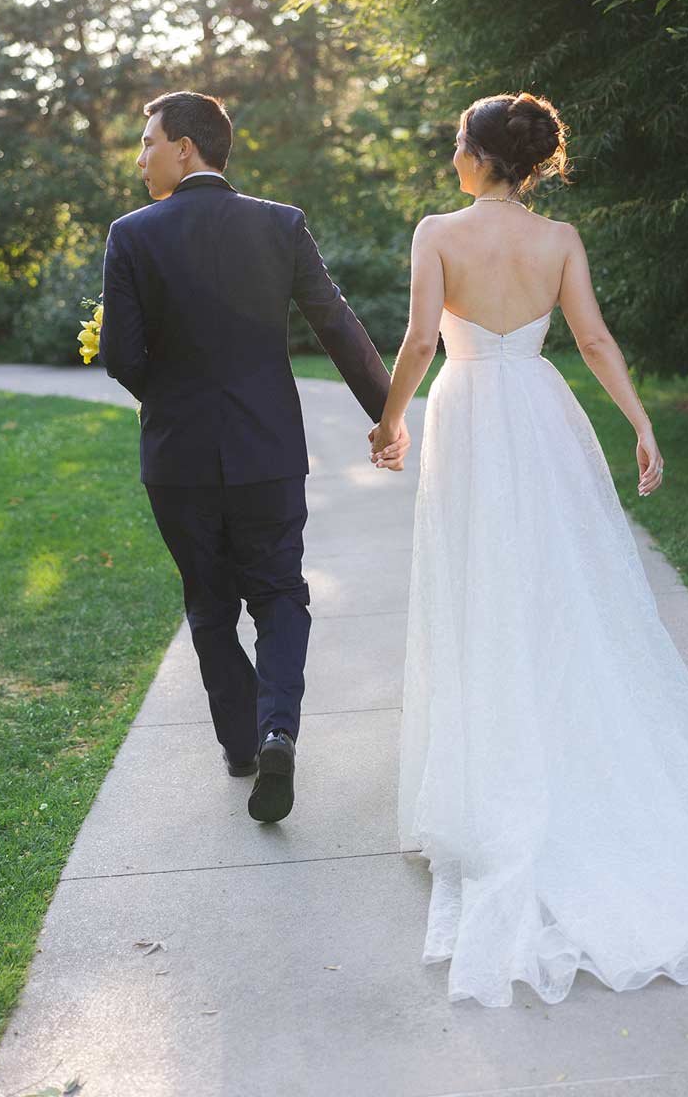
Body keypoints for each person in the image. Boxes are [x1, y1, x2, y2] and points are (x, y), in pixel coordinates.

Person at [369, 90, 688, 1006]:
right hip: (544, 416)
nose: (451, 157)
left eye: (455, 144)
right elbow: (593, 339)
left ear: (477, 155)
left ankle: (502, 773)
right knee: (562, 588)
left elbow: (415, 340)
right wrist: (640, 421)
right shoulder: (557, 241)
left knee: (484, 592)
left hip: (474, 416)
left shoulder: (437, 231)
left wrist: (391, 419)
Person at [98, 90, 410, 826]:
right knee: (278, 593)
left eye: (147, 141)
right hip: (268, 450)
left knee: (209, 602)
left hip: (177, 461)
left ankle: (241, 747)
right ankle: (279, 731)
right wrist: (386, 416)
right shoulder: (280, 224)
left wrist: (167, 398)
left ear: (186, 147)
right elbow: (335, 321)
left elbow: (120, 356)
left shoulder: (132, 234)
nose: (140, 156)